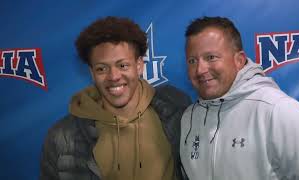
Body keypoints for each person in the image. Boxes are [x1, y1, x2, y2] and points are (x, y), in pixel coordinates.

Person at [40, 16, 191, 180]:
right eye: (101, 69)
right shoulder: (63, 136)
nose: (113, 76)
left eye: (122, 65)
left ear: (139, 65)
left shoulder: (177, 108)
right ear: (92, 73)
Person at [180, 16, 299, 180]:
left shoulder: (278, 110)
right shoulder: (189, 118)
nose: (200, 69)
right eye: (192, 60)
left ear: (239, 60)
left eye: (211, 57)